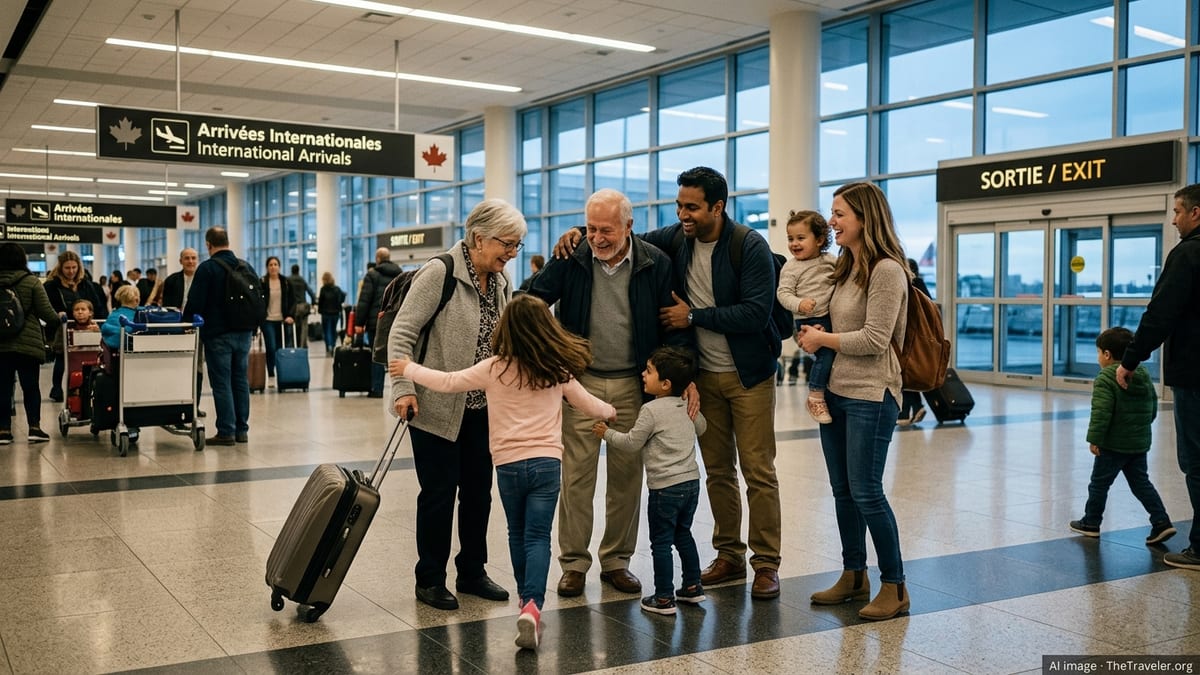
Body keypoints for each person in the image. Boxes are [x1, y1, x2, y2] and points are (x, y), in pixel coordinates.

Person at [391, 294, 616, 651]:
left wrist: (409, 369)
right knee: (539, 537)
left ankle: (523, 601)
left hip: (508, 466)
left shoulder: (494, 367)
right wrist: (611, 411)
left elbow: (449, 381)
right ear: (547, 329)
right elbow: (589, 405)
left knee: (517, 532)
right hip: (546, 464)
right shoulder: (556, 368)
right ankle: (531, 605)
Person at [527, 188, 685, 598]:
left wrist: (676, 383)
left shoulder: (655, 262)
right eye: (591, 228)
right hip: (582, 383)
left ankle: (616, 560)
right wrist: (549, 354)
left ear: (628, 226)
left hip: (636, 384)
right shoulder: (571, 257)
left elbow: (671, 328)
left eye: (607, 230)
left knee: (627, 479)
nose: (597, 238)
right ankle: (574, 563)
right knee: (576, 476)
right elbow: (529, 301)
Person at [643, 167, 784, 600]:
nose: (682, 214)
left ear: (717, 207)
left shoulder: (749, 246)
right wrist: (576, 234)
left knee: (758, 470)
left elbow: (755, 313)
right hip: (704, 378)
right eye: (680, 205)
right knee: (718, 471)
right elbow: (628, 238)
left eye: (692, 207)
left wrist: (695, 316)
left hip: (749, 376)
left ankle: (766, 564)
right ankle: (729, 554)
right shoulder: (679, 238)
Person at [388, 198, 525, 611]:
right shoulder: (439, 273)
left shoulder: (500, 282)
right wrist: (402, 389)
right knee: (439, 493)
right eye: (507, 244)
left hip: (484, 409)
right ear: (479, 238)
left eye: (517, 246)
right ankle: (429, 578)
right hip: (434, 407)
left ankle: (471, 571)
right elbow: (402, 335)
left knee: (479, 493)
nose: (512, 253)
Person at [798, 181, 910, 621]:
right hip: (838, 393)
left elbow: (876, 339)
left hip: (872, 394)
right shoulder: (846, 267)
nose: (832, 221)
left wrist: (822, 338)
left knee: (866, 491)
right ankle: (854, 574)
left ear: (865, 218)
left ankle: (895, 586)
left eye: (840, 213)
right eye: (832, 212)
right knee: (843, 491)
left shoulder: (887, 270)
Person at [1118, 183, 1200, 570]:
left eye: (1179, 211)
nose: (1174, 219)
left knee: (1196, 460)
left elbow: (1160, 314)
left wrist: (1130, 359)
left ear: (1196, 213)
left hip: (1195, 374)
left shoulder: (1188, 254)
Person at [592, 345, 708, 616]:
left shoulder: (651, 410)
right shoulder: (685, 404)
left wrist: (606, 433)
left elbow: (632, 443)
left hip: (664, 488)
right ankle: (693, 587)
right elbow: (701, 427)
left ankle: (665, 598)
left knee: (661, 543)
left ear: (665, 384)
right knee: (684, 535)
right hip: (691, 484)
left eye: (649, 371)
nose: (643, 375)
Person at [1068, 327, 1174, 544]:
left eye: (1098, 352)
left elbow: (1101, 412)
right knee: (1141, 483)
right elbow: (1152, 408)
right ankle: (1161, 521)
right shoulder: (1142, 374)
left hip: (1112, 446)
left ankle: (1091, 522)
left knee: (1099, 484)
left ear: (1107, 354)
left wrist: (1095, 439)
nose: (1098, 357)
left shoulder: (1106, 377)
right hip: (1138, 443)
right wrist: (1140, 427)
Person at [184, 227, 258, 446]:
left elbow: (195, 304)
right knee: (240, 380)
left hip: (218, 335)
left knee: (222, 383)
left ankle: (226, 430)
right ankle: (241, 430)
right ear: (227, 241)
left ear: (208, 245)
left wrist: (184, 322)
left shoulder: (207, 269)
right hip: (244, 332)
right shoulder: (245, 266)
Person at [776, 210, 837, 424]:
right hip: (808, 320)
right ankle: (815, 395)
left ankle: (830, 393)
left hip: (831, 317)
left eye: (801, 238)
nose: (794, 244)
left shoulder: (830, 260)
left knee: (838, 355)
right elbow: (783, 294)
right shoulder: (791, 267)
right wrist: (799, 304)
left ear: (820, 239)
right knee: (825, 356)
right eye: (791, 239)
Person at [0, 243, 59, 444]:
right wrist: (59, 319)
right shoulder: (31, 281)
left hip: (1, 344)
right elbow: (47, 314)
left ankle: (3, 431)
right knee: (31, 386)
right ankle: (34, 428)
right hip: (28, 344)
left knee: (3, 387)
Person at [43, 250, 106, 402]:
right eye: (67, 268)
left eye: (74, 267)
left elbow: (97, 305)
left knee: (85, 357)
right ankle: (57, 388)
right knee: (62, 358)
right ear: (60, 268)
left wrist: (98, 323)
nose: (71, 271)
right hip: (63, 327)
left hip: (86, 327)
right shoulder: (52, 286)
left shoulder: (86, 284)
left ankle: (86, 385)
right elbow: (48, 307)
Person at [162, 248, 205, 415]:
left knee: (197, 366)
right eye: (187, 258)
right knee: (177, 365)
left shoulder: (203, 280)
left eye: (194, 258)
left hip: (197, 329)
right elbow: (167, 307)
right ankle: (174, 403)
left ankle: (195, 405)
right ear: (181, 261)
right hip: (177, 329)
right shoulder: (172, 280)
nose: (190, 261)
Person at [356, 248, 402, 398]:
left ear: (377, 259)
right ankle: (401, 391)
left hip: (376, 321)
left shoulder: (372, 275)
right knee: (397, 355)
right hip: (396, 321)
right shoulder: (400, 274)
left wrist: (359, 322)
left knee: (377, 355)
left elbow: (365, 300)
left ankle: (377, 388)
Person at [897, 258, 930, 426]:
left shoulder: (908, 286)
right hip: (920, 339)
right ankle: (911, 409)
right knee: (906, 375)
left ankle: (908, 410)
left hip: (907, 338)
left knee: (903, 374)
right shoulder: (921, 285)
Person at [260, 256, 296, 383]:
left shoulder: (286, 282)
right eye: (270, 265)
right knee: (271, 347)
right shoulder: (263, 282)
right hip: (267, 320)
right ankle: (271, 373)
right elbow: (259, 301)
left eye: (275, 264)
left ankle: (282, 372)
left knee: (280, 348)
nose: (273, 267)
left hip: (282, 320)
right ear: (267, 267)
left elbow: (293, 300)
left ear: (279, 267)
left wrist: (291, 315)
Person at [101, 285, 140, 350]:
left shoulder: (112, 314)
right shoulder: (139, 315)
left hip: (109, 350)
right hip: (129, 351)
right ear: (136, 300)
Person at [317, 271, 346, 356]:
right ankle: (333, 346)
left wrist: (319, 310)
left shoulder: (323, 289)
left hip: (325, 313)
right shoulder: (337, 289)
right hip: (335, 313)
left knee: (326, 331)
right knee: (333, 330)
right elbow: (342, 298)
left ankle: (328, 346)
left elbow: (320, 302)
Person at [288, 264, 316, 348]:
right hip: (303, 306)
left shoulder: (288, 280)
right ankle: (303, 344)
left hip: (293, 307)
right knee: (304, 326)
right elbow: (310, 292)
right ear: (298, 270)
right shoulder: (302, 280)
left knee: (292, 326)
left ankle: (292, 344)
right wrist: (313, 302)